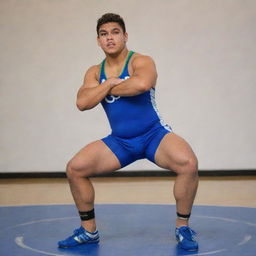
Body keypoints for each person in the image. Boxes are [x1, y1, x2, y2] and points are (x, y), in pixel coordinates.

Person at [58, 13, 199, 251]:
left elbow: (141, 84)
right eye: (104, 34)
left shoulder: (140, 61)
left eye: (115, 32)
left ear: (125, 36)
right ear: (98, 40)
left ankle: (182, 227)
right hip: (121, 142)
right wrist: (107, 83)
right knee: (75, 168)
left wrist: (106, 87)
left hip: (154, 135)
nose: (110, 38)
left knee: (188, 163)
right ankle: (89, 231)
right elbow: (82, 102)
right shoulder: (94, 71)